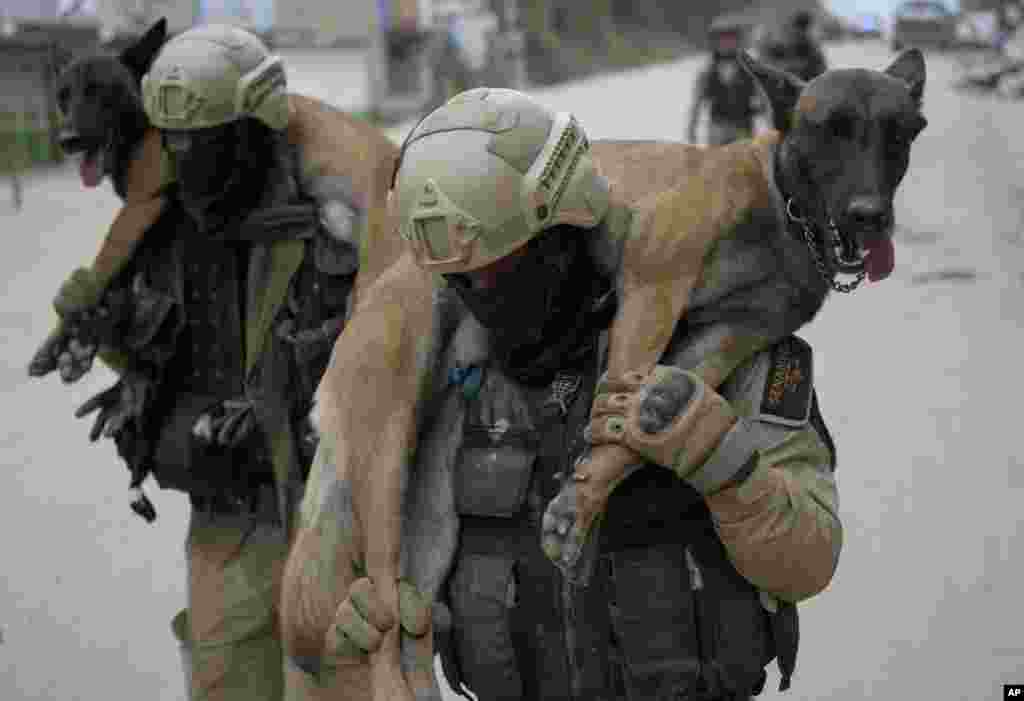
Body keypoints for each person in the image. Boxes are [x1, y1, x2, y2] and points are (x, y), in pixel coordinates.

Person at [317, 89, 842, 700]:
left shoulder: (723, 345)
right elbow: (395, 580)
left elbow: (808, 559)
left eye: (493, 265)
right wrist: (369, 623)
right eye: (455, 278)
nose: (476, 297)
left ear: (565, 230)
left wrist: (719, 457)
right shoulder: (451, 379)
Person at [40, 25, 370, 700]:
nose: (187, 157)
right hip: (224, 527)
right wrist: (108, 330)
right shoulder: (167, 231)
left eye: (204, 137)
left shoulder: (330, 225)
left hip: (327, 520)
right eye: (175, 138)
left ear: (252, 129)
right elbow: (149, 356)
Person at [686, 19, 761, 145]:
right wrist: (691, 132)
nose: (726, 43)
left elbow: (766, 101)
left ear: (739, 41)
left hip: (743, 127)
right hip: (717, 128)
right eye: (722, 39)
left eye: (731, 38)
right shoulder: (707, 73)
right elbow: (696, 105)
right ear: (714, 43)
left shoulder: (751, 71)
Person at [758, 11, 827, 130]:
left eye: (804, 29)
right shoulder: (777, 49)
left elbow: (821, 77)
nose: (799, 33)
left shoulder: (812, 51)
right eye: (798, 29)